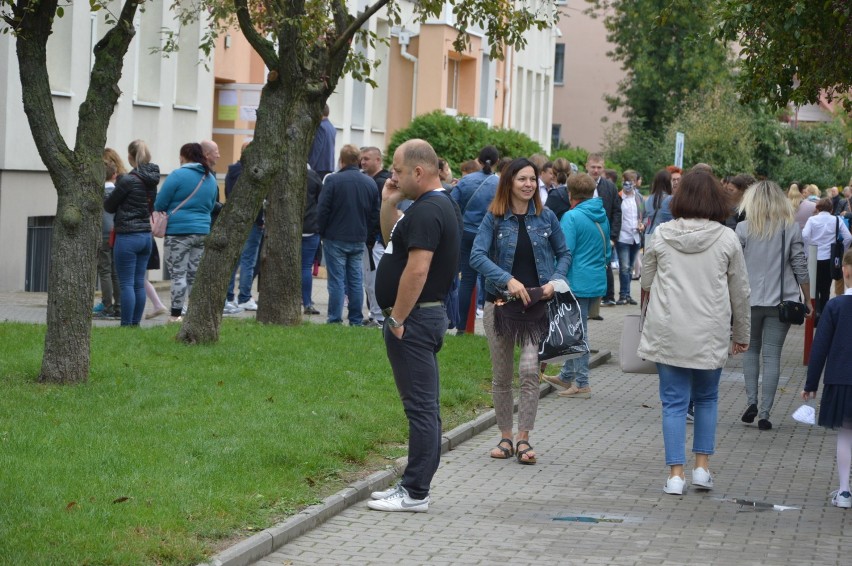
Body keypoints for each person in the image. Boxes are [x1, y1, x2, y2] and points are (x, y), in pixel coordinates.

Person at [638, 170, 751, 495]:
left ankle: (675, 475)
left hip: (668, 330)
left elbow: (645, 282)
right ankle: (702, 468)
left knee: (673, 403)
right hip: (710, 332)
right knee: (707, 399)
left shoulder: (660, 235)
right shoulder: (727, 238)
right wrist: (741, 332)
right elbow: (740, 291)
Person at [367, 139, 460, 513]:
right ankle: (413, 486)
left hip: (415, 319)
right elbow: (394, 242)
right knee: (423, 406)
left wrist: (398, 319)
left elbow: (417, 270)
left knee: (421, 408)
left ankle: (414, 491)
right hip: (421, 317)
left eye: (398, 170)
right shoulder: (430, 207)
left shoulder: (427, 211)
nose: (392, 175)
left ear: (418, 172)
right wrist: (389, 203)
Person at [470, 158, 571, 464]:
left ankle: (524, 438)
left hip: (536, 306)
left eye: (532, 180)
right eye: (522, 180)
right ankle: (505, 437)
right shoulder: (495, 218)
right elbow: (476, 255)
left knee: (529, 371)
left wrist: (556, 280)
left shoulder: (546, 216)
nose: (528, 185)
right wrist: (507, 279)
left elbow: (564, 253)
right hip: (500, 305)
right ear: (509, 183)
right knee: (502, 377)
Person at [735, 181, 811, 431]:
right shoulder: (790, 228)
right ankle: (765, 414)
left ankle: (751, 402)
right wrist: (808, 299)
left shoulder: (743, 229)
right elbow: (800, 265)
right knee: (772, 355)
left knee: (750, 351)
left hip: (749, 301)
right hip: (782, 302)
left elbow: (734, 269)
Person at [542, 173, 608, 399]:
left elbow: (564, 251)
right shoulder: (601, 215)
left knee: (578, 333)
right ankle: (566, 375)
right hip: (595, 280)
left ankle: (582, 383)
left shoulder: (571, 217)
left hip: (576, 282)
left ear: (569, 193)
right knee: (574, 330)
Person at [802, 249, 852, 508]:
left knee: (846, 433)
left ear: (845, 271)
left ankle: (844, 491)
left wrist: (810, 385)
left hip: (842, 379)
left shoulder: (835, 306)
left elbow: (819, 349)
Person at [154, 142, 219, 323]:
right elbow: (212, 205)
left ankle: (176, 315)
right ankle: (196, 313)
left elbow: (160, 203)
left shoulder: (178, 175)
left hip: (179, 232)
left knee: (178, 274)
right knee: (195, 275)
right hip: (202, 231)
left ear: (183, 157)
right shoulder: (210, 178)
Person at [316, 144, 379, 326]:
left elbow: (323, 210)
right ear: (359, 161)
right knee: (356, 280)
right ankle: (356, 318)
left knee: (336, 280)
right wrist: (367, 233)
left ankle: (335, 318)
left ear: (341, 161)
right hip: (358, 237)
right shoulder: (369, 183)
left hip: (335, 236)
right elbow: (375, 213)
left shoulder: (333, 181)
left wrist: (322, 231)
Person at [103, 140, 160, 326]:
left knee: (126, 282)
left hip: (127, 235)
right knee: (138, 282)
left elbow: (109, 206)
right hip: (145, 236)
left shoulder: (127, 180)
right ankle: (135, 323)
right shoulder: (152, 179)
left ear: (129, 157)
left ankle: (126, 324)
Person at [450, 145, 500, 334]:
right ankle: (491, 329)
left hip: (466, 234)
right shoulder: (500, 184)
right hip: (491, 236)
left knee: (467, 280)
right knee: (490, 280)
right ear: (496, 162)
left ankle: (461, 328)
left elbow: (452, 205)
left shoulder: (465, 181)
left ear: (478, 161)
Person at [223, 141, 263, 314]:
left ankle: (228, 296)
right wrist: (261, 219)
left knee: (234, 259)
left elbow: (228, 192)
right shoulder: (255, 172)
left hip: (234, 219)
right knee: (248, 260)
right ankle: (245, 297)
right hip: (252, 220)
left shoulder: (232, 170)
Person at [802, 197, 852, 321]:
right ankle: (824, 316)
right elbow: (848, 238)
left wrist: (807, 251)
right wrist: (843, 252)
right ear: (831, 209)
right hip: (830, 258)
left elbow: (805, 235)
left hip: (814, 259)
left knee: (815, 288)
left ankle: (815, 315)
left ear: (818, 208)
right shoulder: (836, 220)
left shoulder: (812, 220)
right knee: (826, 289)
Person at [360, 146, 392, 326]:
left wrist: (372, 238)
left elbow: (378, 213)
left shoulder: (382, 182)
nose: (363, 162)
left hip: (378, 240)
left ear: (378, 160)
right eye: (361, 159)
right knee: (369, 279)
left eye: (366, 158)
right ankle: (375, 314)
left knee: (375, 278)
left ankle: (379, 316)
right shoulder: (371, 180)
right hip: (372, 238)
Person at [585, 153, 621, 310]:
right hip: (584, 233)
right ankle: (587, 300)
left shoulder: (609, 187)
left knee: (605, 266)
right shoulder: (579, 183)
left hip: (604, 235)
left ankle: (608, 297)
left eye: (599, 167)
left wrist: (613, 236)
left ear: (603, 168)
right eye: (593, 167)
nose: (595, 170)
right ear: (587, 166)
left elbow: (617, 212)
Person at [93, 160, 121, 320]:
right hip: (117, 233)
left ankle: (107, 306)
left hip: (103, 234)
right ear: (115, 175)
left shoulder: (97, 194)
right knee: (116, 272)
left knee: (104, 271)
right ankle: (119, 307)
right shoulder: (119, 192)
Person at [615, 170, 645, 305]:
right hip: (623, 237)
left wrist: (643, 224)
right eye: (626, 182)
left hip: (636, 237)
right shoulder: (619, 197)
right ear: (622, 181)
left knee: (631, 267)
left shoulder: (638, 198)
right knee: (624, 267)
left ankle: (627, 295)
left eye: (631, 182)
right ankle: (623, 295)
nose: (629, 185)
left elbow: (645, 216)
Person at [302, 166, 323, 316]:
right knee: (305, 267)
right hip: (310, 226)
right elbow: (321, 200)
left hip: (290, 227)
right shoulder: (313, 176)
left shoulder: (284, 174)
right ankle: (307, 302)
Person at [308, 104, 336, 179]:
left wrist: (310, 166)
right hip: (328, 166)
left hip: (318, 167)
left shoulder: (320, 126)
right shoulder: (331, 127)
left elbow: (317, 148)